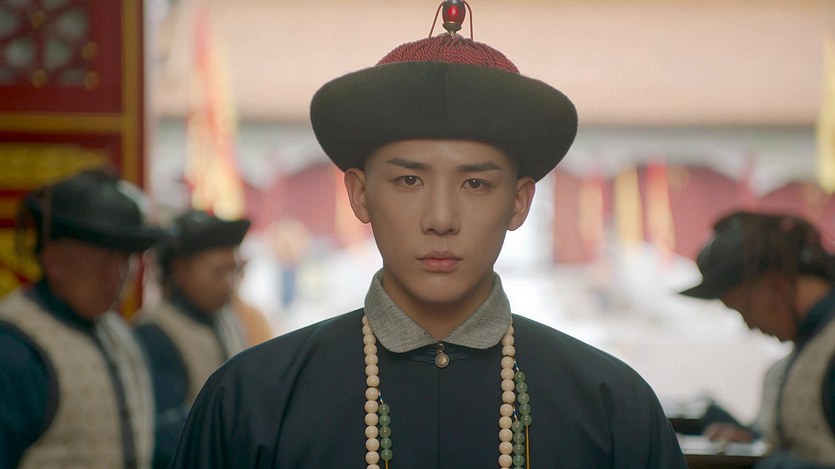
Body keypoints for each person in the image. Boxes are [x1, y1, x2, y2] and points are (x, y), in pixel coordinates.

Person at [170, 2, 687, 468]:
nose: (441, 218)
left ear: (519, 202)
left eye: (476, 183)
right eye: (408, 180)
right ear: (360, 195)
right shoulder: (252, 401)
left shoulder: (612, 407)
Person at [0, 168, 164, 468]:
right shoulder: (13, 349)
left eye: (127, 259)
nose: (119, 275)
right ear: (53, 260)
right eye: (103, 259)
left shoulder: (118, 332)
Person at [679, 210, 835, 469]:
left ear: (774, 284)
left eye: (745, 309)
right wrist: (753, 440)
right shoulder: (809, 349)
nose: (749, 325)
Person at [133, 209, 255, 468]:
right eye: (217, 272)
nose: (228, 283)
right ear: (180, 269)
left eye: (233, 271)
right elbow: (155, 435)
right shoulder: (154, 333)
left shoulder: (227, 320)